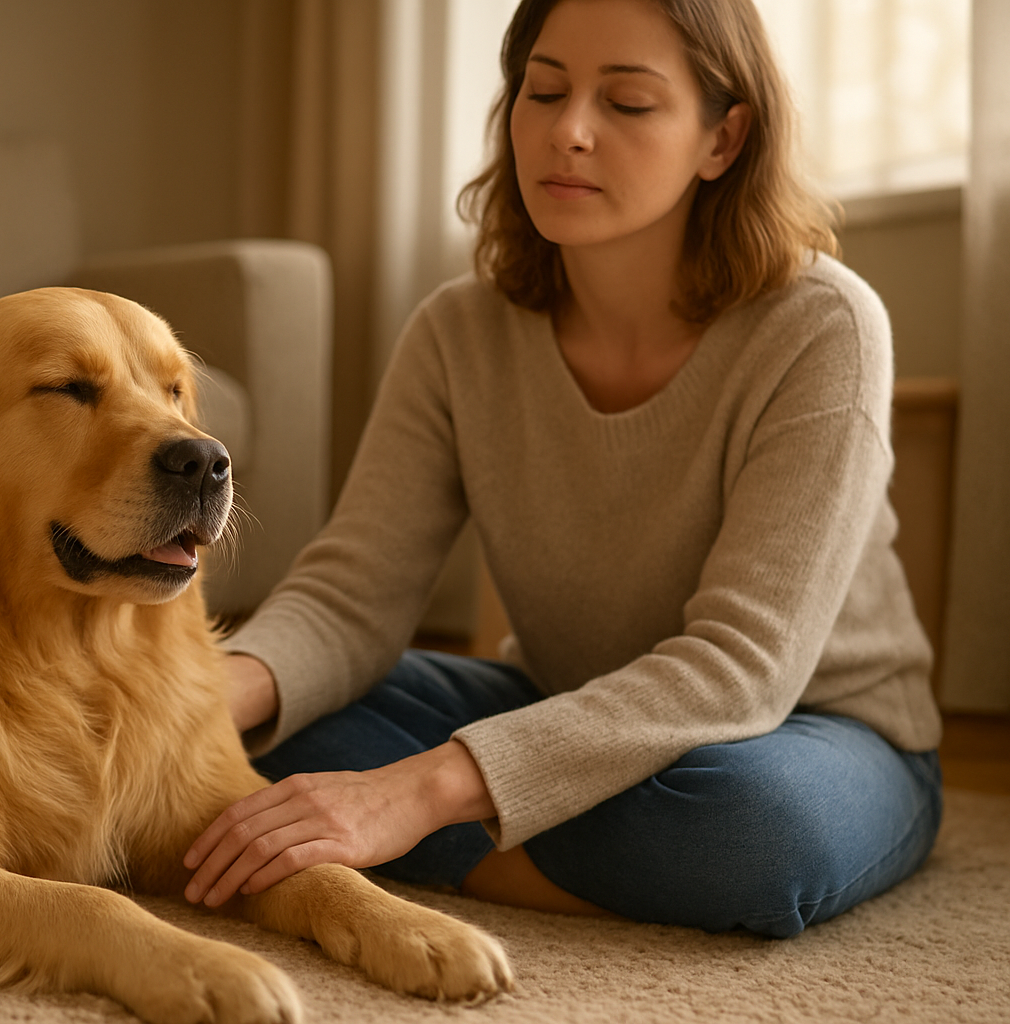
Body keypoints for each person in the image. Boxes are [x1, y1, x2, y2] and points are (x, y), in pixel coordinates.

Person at [181, 0, 943, 939]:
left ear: (723, 138)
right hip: (563, 703)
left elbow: (740, 670)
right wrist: (195, 702)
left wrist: (420, 792)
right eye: (543, 92)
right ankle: (525, 834)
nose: (567, 131)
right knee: (278, 722)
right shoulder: (457, 331)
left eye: (627, 103)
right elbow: (350, 598)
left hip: (807, 731)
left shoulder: (824, 326)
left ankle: (450, 836)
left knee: (753, 833)